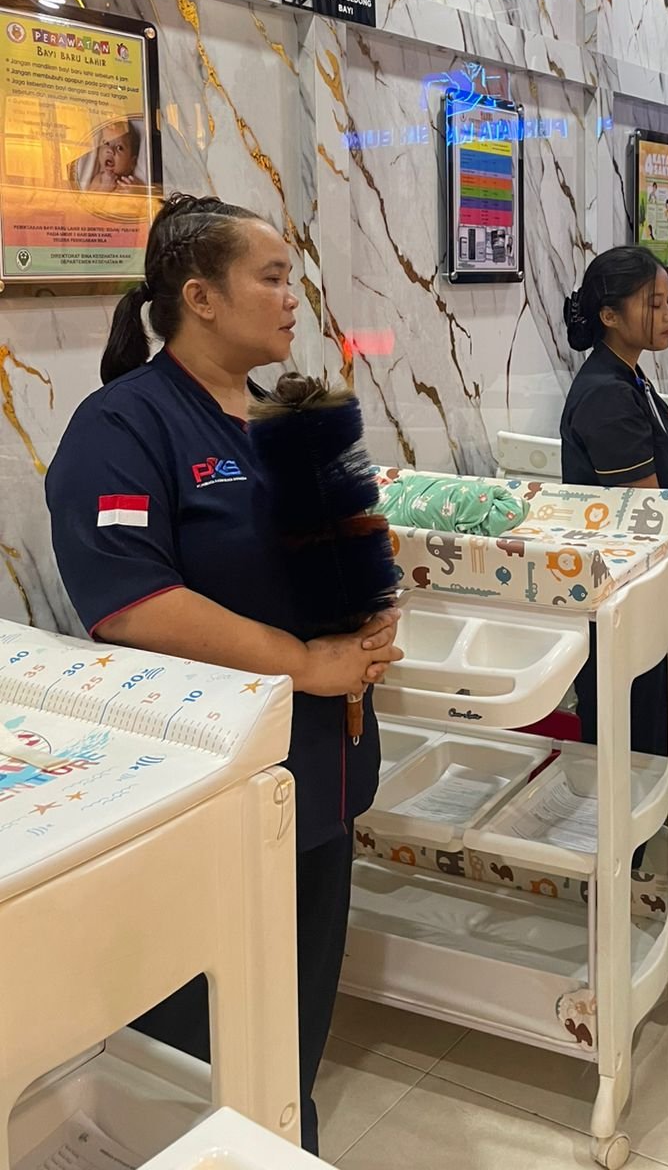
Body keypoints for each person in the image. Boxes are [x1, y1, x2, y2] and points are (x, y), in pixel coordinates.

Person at [44, 193, 401, 1154]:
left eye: (293, 278)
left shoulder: (291, 418)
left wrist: (370, 618)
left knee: (294, 1021)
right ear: (199, 297)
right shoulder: (123, 426)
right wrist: (305, 662)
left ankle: (287, 1142)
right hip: (208, 786)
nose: (293, 298)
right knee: (201, 1046)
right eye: (272, 277)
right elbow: (131, 603)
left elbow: (350, 553)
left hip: (321, 772)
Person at [560, 245, 668, 756]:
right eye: (654, 304)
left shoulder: (628, 374)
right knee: (631, 743)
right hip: (625, 592)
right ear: (609, 316)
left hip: (653, 580)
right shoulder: (606, 394)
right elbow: (646, 511)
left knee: (657, 735)